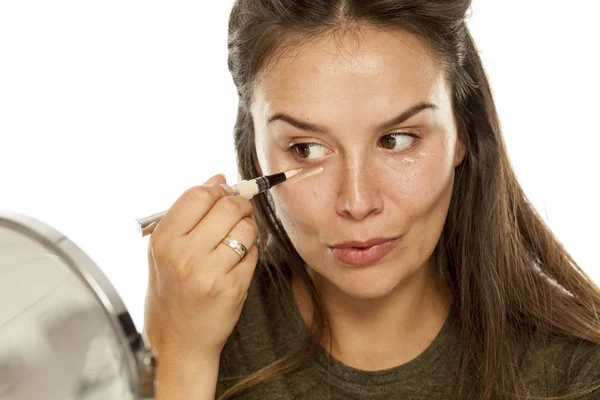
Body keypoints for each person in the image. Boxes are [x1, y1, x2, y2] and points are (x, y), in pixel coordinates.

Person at [143, 1, 600, 399]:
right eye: (306, 148)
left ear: (463, 134)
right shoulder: (195, 332)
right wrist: (177, 360)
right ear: (255, 153)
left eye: (397, 139)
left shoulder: (576, 373)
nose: (358, 202)